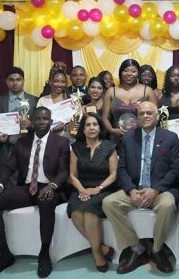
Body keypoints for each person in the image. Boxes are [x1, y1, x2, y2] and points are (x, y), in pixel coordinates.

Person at [0, 107, 70, 278]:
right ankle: (4, 255)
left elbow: (64, 171)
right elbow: (9, 167)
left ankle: (44, 254)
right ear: (32, 120)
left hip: (50, 188)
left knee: (46, 200)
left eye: (45, 118)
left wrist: (51, 186)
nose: (42, 121)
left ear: (50, 121)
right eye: (38, 118)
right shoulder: (22, 142)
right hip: (28, 188)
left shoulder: (61, 142)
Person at [102, 101, 179, 274]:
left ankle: (157, 249)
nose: (145, 116)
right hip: (135, 189)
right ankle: (138, 248)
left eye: (149, 113)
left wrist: (156, 190)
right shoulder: (129, 137)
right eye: (141, 113)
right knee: (108, 203)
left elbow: (175, 169)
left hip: (160, 190)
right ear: (137, 118)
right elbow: (121, 168)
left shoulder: (170, 137)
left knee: (168, 205)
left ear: (157, 116)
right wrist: (130, 190)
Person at [67, 113, 118, 272]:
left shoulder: (109, 146)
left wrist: (98, 189)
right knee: (75, 212)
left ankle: (97, 255)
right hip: (82, 188)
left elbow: (114, 174)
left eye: (95, 124)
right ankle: (102, 248)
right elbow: (72, 175)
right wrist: (82, 189)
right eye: (88, 125)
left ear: (100, 128)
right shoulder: (76, 147)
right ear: (83, 129)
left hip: (104, 188)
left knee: (88, 211)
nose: (92, 128)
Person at [0, 67, 38, 180]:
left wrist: (31, 125)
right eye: (11, 80)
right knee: (5, 187)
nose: (15, 83)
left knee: (26, 186)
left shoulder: (35, 100)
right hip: (4, 151)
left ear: (23, 81)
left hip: (27, 150)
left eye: (18, 79)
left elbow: (42, 126)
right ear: (6, 82)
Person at [102, 59, 158, 141]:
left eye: (133, 71)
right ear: (120, 72)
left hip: (142, 138)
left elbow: (155, 116)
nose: (129, 74)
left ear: (138, 73)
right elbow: (105, 117)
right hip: (116, 139)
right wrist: (112, 130)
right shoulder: (111, 91)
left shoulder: (148, 91)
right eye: (125, 71)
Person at [37, 63, 73, 136]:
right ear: (50, 82)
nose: (59, 85)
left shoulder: (73, 99)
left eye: (63, 82)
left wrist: (67, 127)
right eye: (56, 81)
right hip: (49, 142)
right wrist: (52, 130)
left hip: (71, 141)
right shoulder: (42, 100)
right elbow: (38, 124)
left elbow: (79, 123)